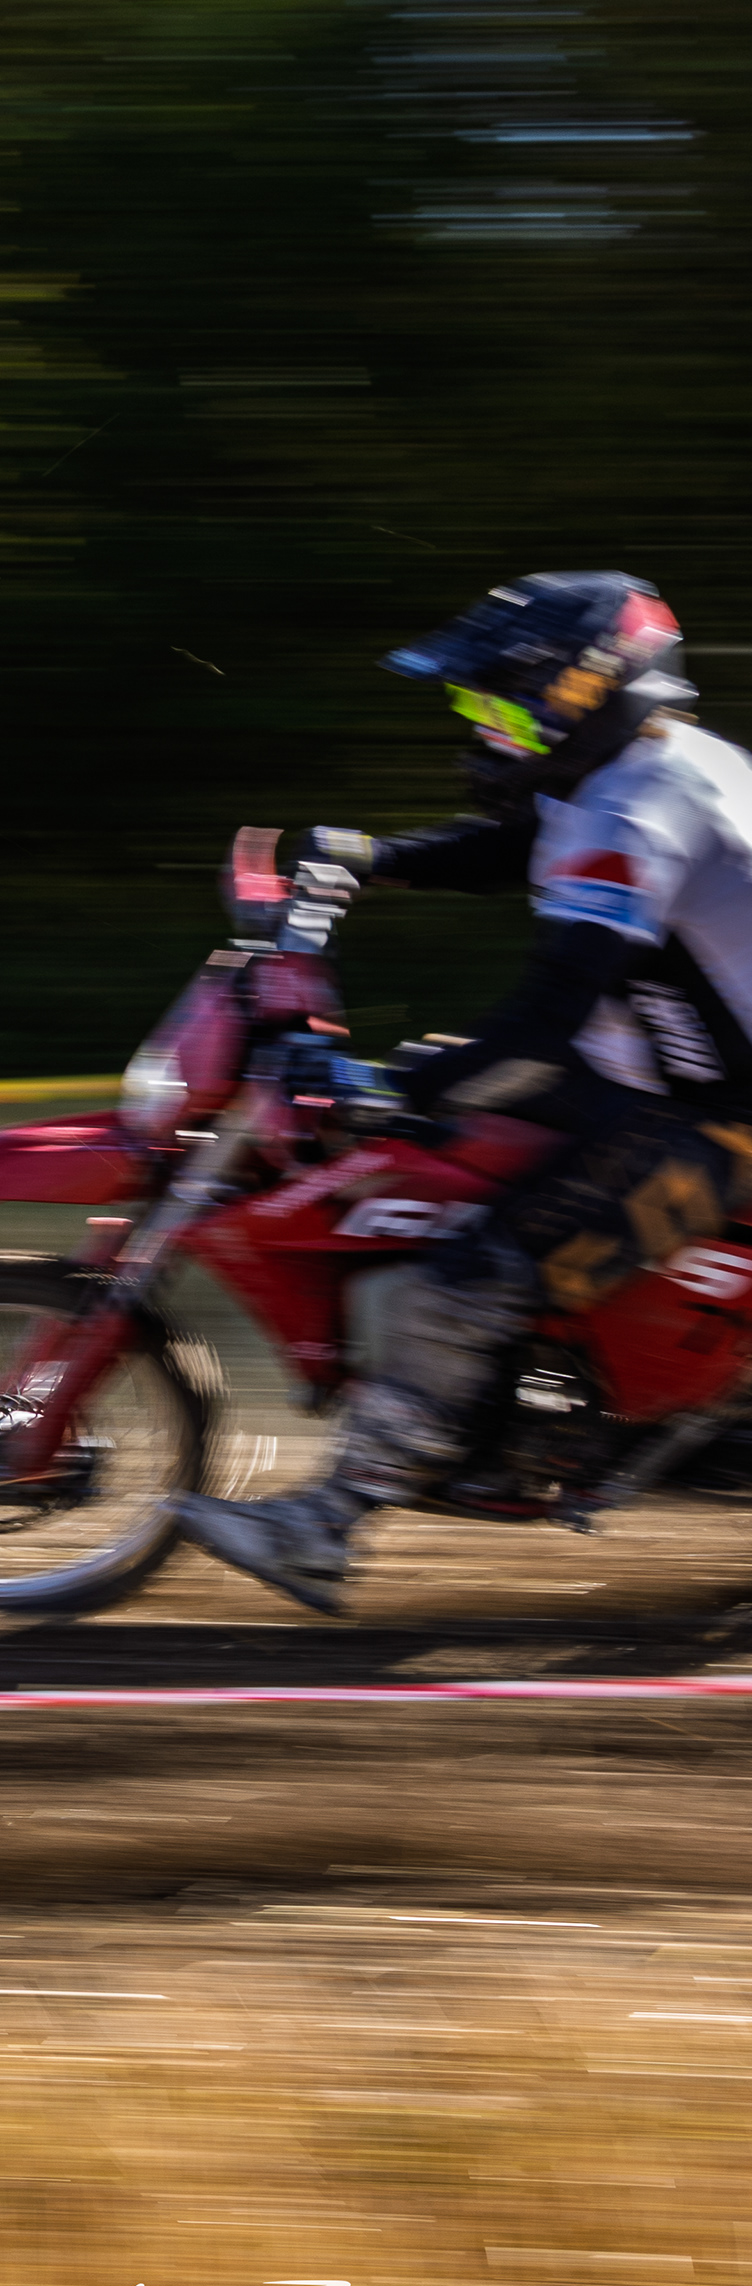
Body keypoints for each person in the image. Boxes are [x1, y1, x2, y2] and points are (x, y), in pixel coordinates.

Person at [174, 570, 752, 1612]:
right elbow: (524, 842)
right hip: (665, 1074)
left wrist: (388, 1086)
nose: (486, 726)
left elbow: (544, 1022)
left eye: (504, 705)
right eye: (474, 704)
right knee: (433, 1143)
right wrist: (369, 859)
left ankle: (328, 1524)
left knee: (471, 1275)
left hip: (721, 1119)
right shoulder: (631, 768)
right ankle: (506, 1404)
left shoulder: (646, 806)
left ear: (591, 689)